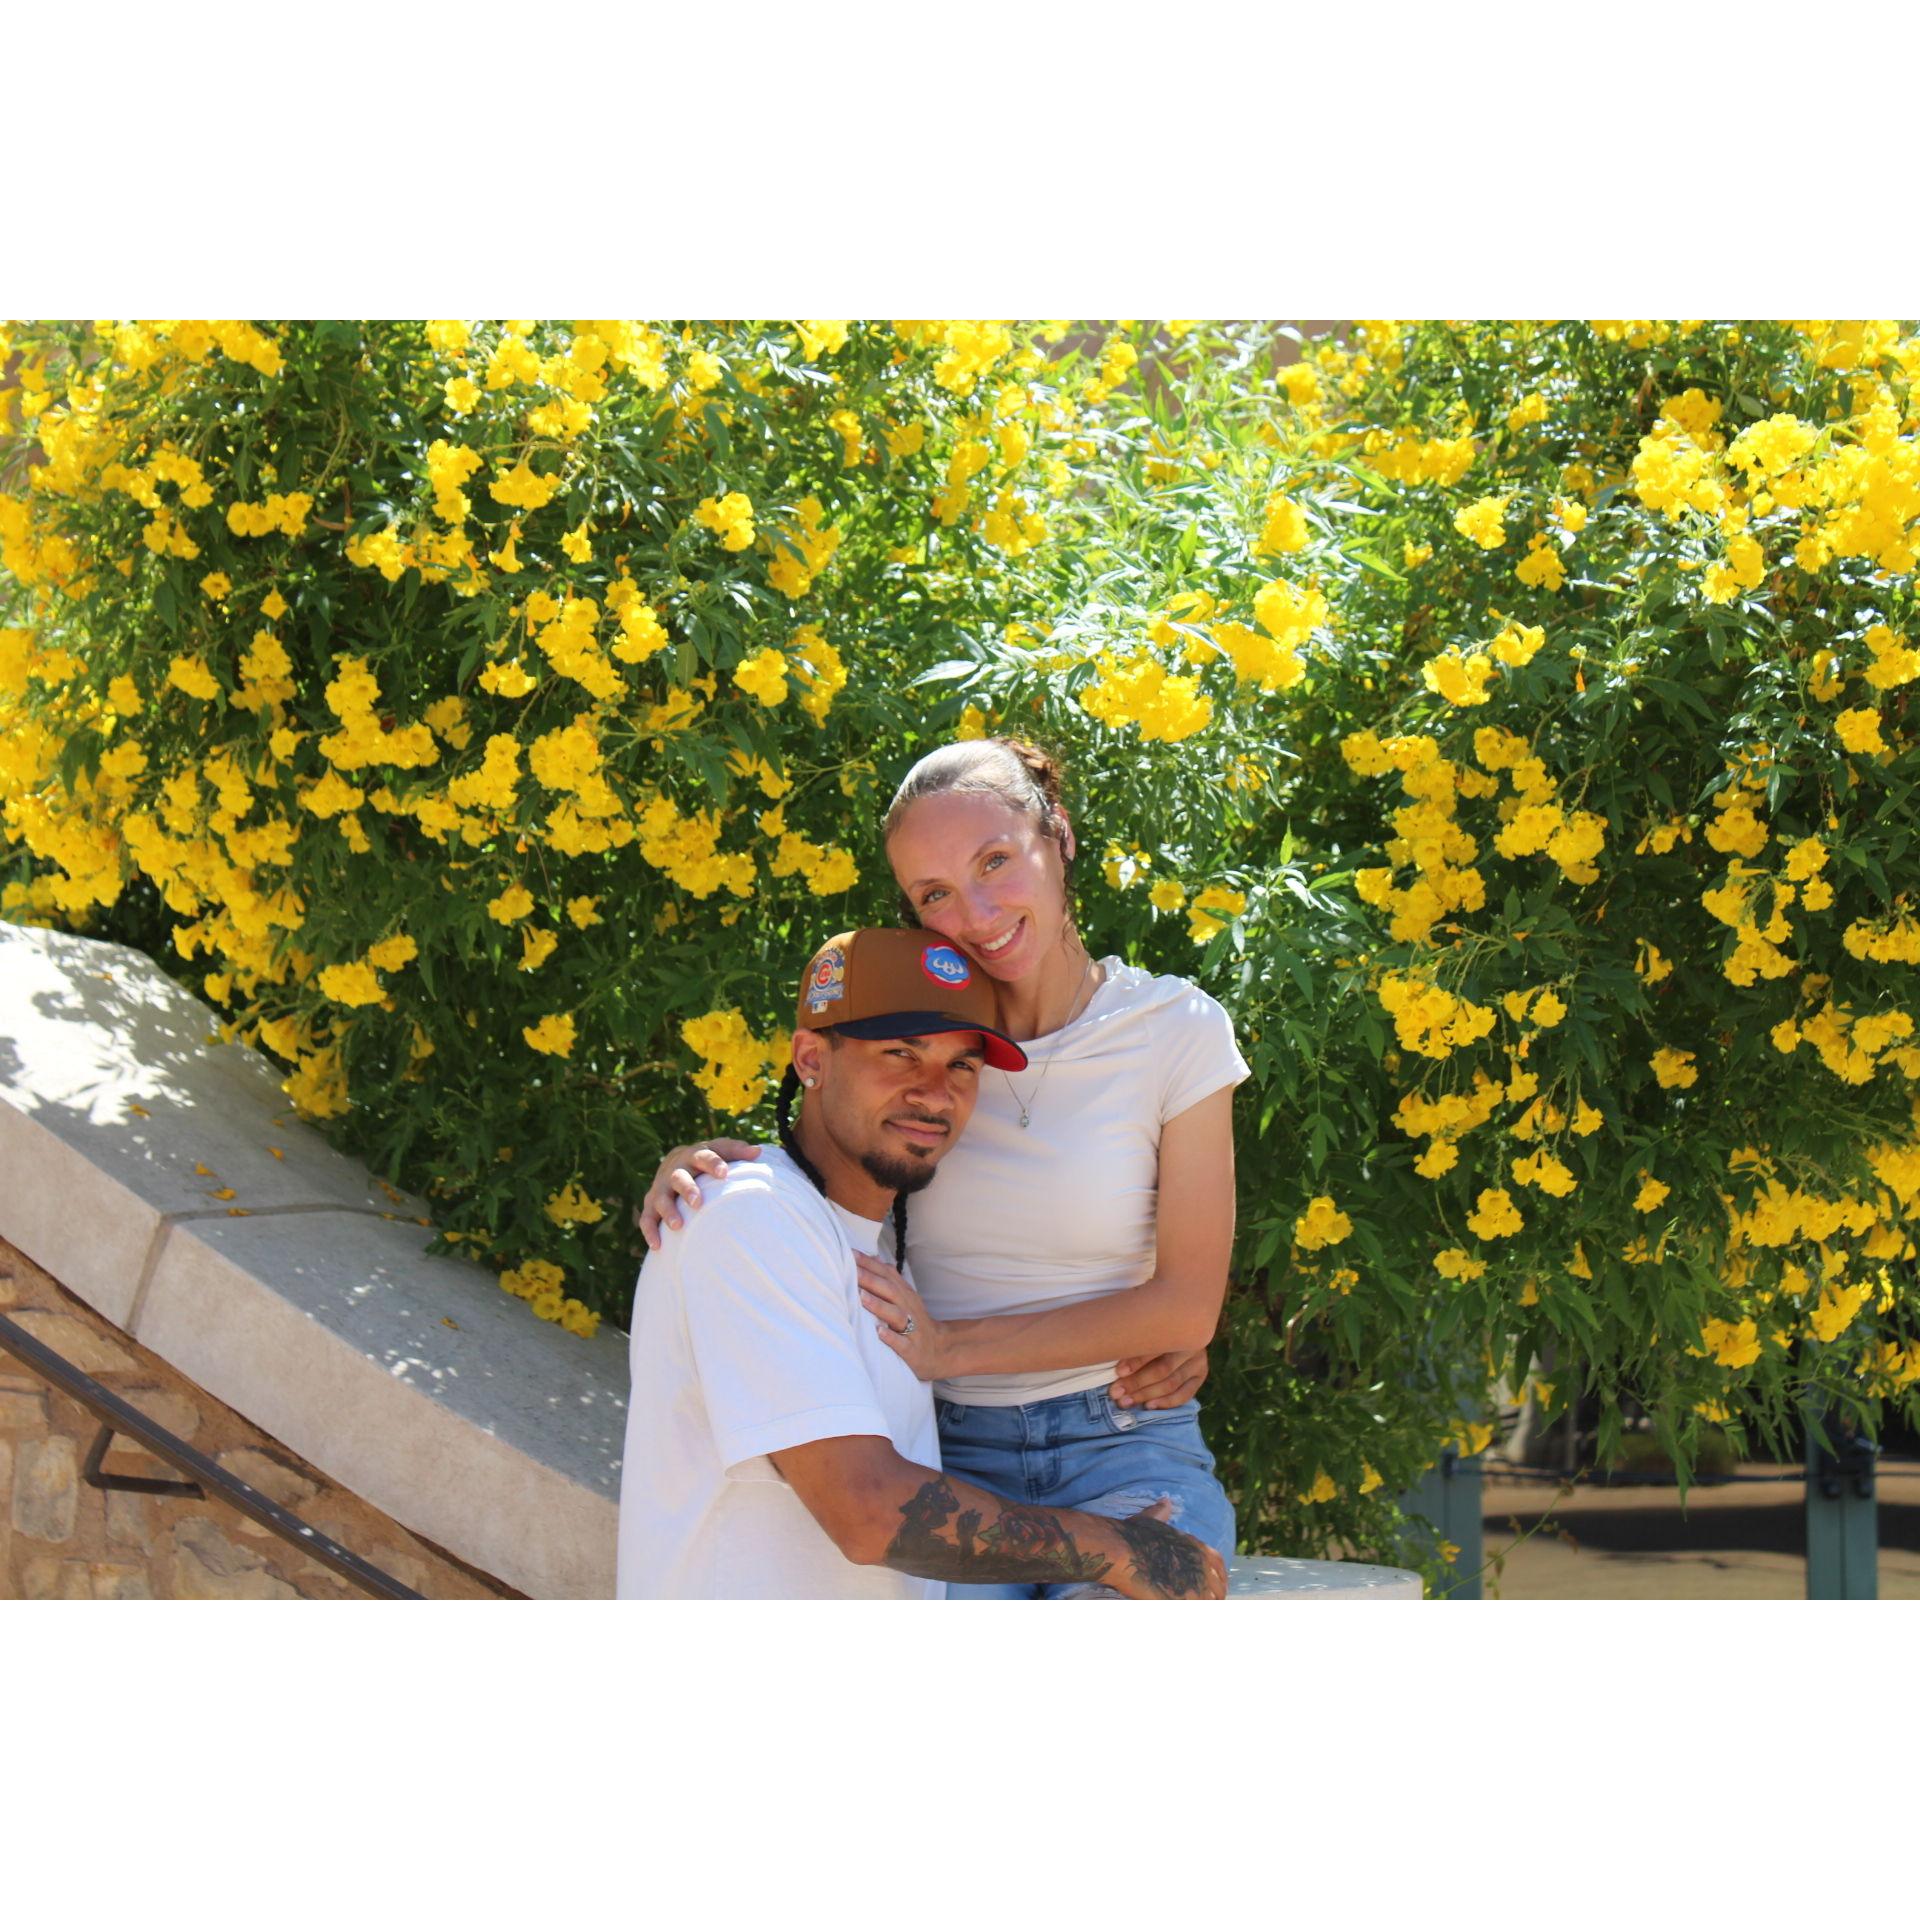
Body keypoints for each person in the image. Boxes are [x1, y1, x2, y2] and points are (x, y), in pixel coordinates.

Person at [639, 738, 1249, 1600]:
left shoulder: (1174, 1030)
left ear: (1059, 836)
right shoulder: (936, 1033)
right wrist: (707, 1169)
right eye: (935, 894)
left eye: (995, 861)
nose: (976, 912)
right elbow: (833, 1149)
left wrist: (953, 1347)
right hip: (944, 1450)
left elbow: (1187, 1307)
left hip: (1123, 1437)